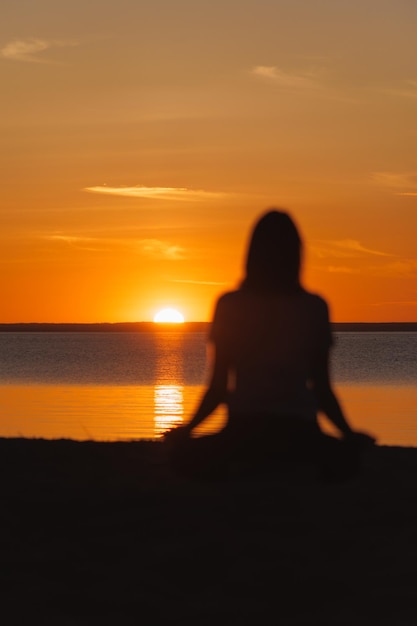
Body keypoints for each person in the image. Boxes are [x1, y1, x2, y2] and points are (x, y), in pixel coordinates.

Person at [166, 209, 375, 481]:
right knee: (346, 462)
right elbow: (322, 389)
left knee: (184, 458)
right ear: (298, 255)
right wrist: (348, 435)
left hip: (244, 430)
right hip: (299, 432)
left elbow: (218, 387)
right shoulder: (313, 307)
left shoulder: (231, 305)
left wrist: (187, 430)